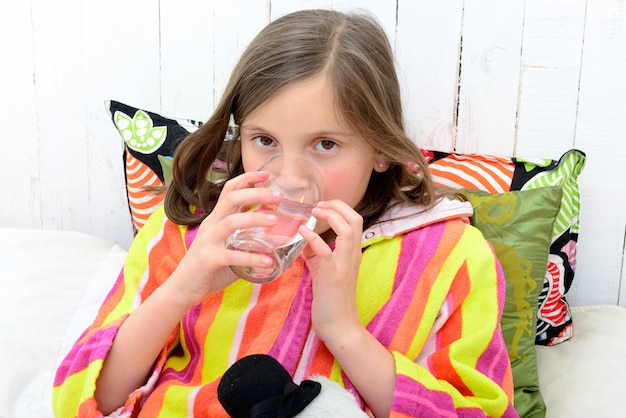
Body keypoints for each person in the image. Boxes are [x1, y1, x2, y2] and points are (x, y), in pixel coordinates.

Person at [53, 9, 518, 418]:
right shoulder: (190, 229)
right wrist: (181, 289)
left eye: (326, 144)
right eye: (265, 141)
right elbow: (86, 398)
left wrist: (344, 332)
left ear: (380, 149)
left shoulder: (452, 256)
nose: (291, 176)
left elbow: (476, 411)